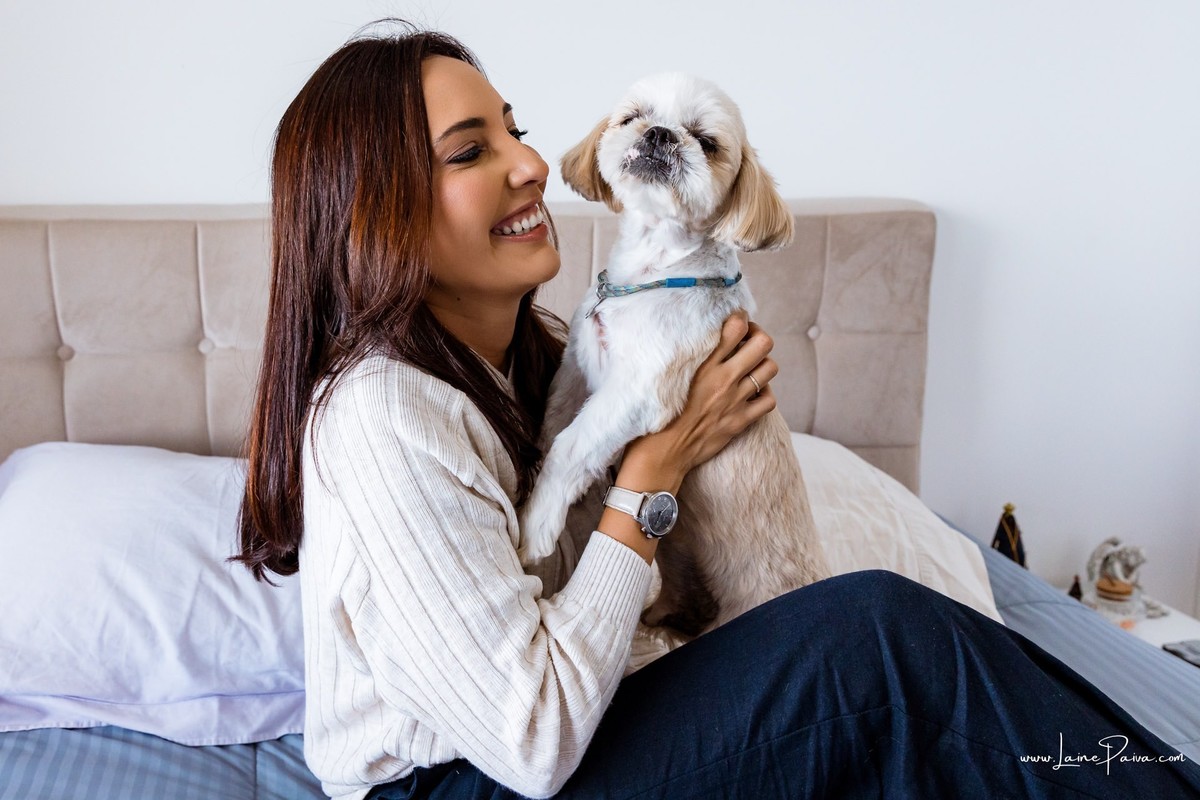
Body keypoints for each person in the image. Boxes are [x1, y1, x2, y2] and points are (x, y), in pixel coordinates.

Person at [236, 22, 1200, 800]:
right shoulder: (383, 416)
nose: (529, 165)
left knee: (920, 638)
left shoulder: (530, 368)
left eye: (513, 127)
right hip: (458, 780)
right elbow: (527, 743)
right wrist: (653, 473)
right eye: (471, 152)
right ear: (380, 214)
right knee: (879, 638)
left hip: (562, 734)